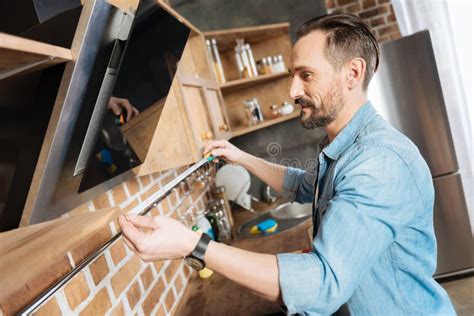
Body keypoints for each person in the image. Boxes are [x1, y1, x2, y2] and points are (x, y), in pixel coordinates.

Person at [118, 13, 456, 315]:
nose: (293, 91)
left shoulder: (379, 161)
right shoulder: (346, 149)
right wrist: (239, 156)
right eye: (294, 75)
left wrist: (195, 246)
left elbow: (322, 283)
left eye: (306, 75)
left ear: (352, 73)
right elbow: (303, 186)